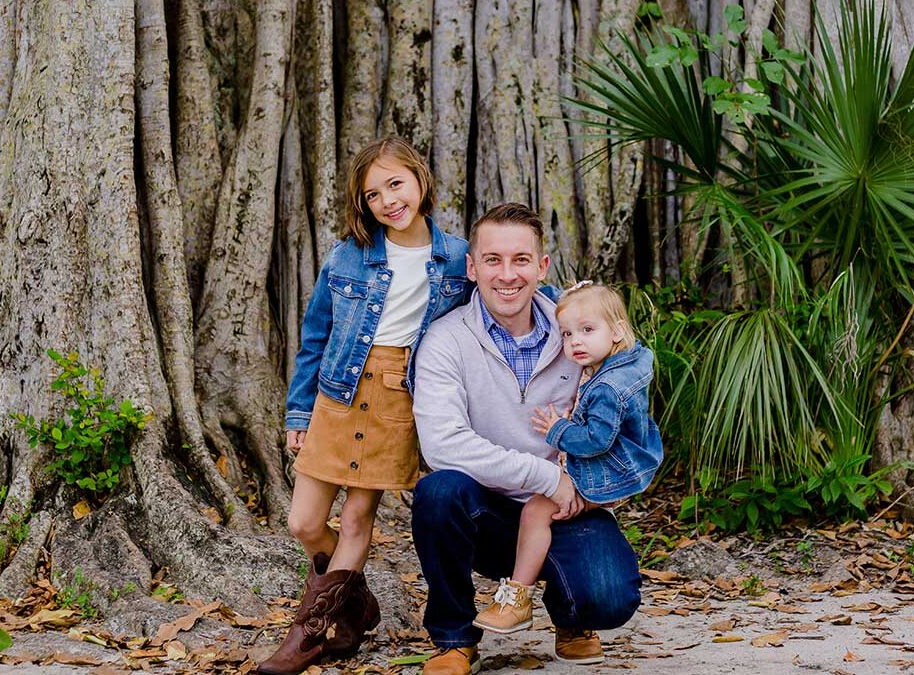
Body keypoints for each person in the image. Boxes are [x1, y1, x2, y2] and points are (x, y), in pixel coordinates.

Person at [258, 137, 469, 675]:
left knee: (356, 517)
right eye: (373, 194)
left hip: (398, 397)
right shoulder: (347, 254)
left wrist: (568, 300)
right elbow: (314, 338)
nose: (387, 201)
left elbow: (507, 286)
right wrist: (300, 413)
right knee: (304, 523)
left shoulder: (457, 258)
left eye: (395, 184)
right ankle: (357, 602)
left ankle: (308, 636)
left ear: (420, 179)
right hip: (338, 394)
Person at [411, 203, 642, 675]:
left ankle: (573, 617)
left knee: (610, 598)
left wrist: (582, 488)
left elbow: (624, 419)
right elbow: (442, 444)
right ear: (472, 268)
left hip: (569, 504)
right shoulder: (445, 339)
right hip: (488, 509)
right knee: (437, 493)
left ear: (542, 266)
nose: (507, 274)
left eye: (521, 260)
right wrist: (543, 476)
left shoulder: (580, 332)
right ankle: (454, 639)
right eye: (492, 260)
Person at [473, 281, 663, 635]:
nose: (575, 341)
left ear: (618, 331)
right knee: (550, 512)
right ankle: (561, 600)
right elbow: (586, 312)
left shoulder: (609, 387)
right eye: (566, 333)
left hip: (605, 470)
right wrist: (548, 289)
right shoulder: (624, 360)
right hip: (621, 469)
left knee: (535, 512)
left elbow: (596, 439)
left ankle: (517, 597)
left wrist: (557, 430)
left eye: (587, 330)